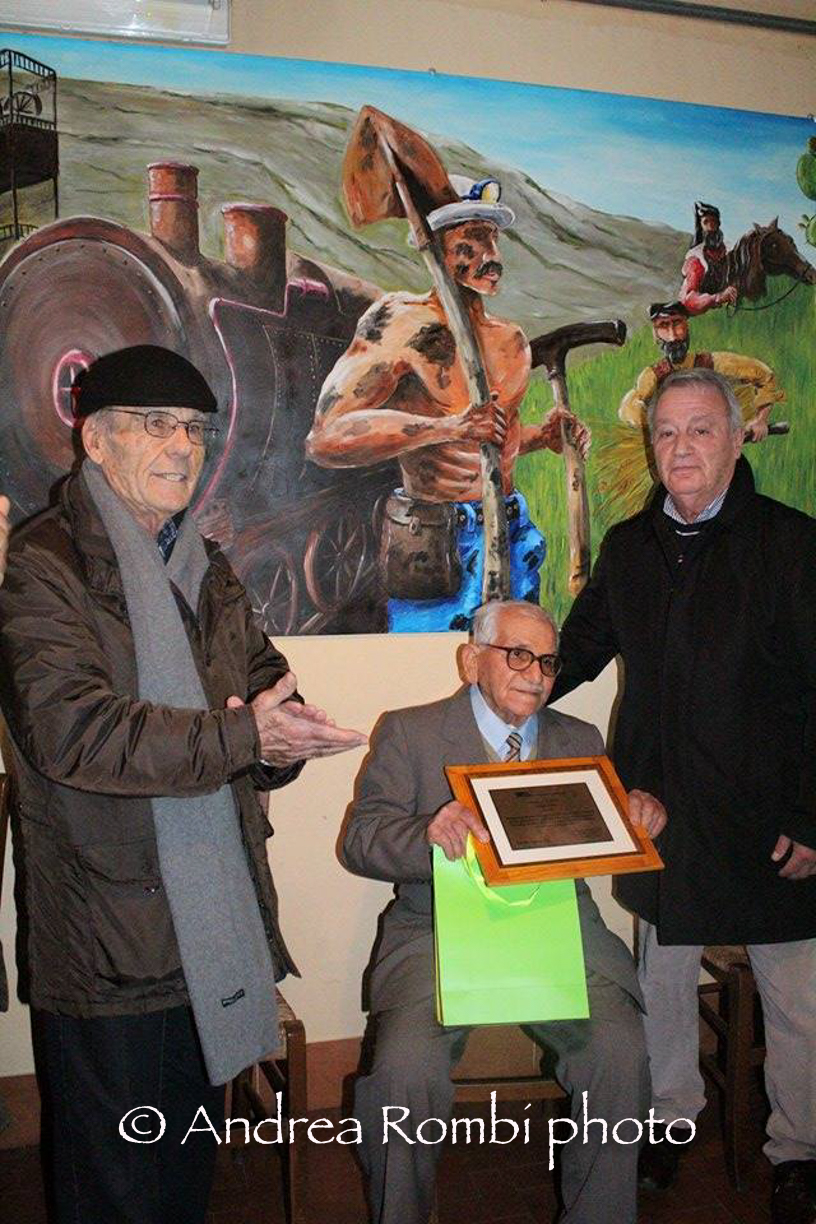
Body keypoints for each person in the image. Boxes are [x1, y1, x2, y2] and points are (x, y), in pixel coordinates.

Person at [0, 345, 366, 1224]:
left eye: (196, 430)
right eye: (156, 426)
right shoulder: (43, 564)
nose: (183, 448)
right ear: (95, 441)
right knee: (114, 1189)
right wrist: (246, 736)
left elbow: (262, 679)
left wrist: (284, 739)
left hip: (209, 925)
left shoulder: (204, 563)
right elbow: (73, 734)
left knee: (185, 1175)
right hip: (108, 936)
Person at [552, 368, 816, 1224]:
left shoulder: (793, 544)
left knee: (796, 999)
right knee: (660, 978)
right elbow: (580, 647)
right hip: (658, 806)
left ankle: (800, 1152)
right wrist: (511, 679)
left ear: (737, 439)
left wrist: (813, 816)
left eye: (701, 429)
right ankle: (670, 1117)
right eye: (666, 432)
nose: (682, 447)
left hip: (771, 816)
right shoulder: (631, 545)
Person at [342, 599, 668, 1224]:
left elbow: (604, 828)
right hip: (438, 929)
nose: (536, 674)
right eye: (518, 655)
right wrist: (426, 832)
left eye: (547, 661)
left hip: (558, 928)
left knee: (620, 1053)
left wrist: (637, 813)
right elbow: (360, 840)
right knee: (403, 1070)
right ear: (471, 661)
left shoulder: (579, 739)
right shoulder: (410, 732)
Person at [305, 177, 590, 632]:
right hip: (436, 545)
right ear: (435, 248)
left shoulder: (511, 340)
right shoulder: (400, 324)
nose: (490, 256)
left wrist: (545, 437)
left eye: (492, 239)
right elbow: (326, 438)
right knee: (430, 667)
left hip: (511, 533)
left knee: (513, 663)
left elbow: (496, 439)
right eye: (471, 243)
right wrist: (450, 427)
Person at [619, 301, 784, 441]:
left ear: (687, 326)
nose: (673, 336)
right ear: (655, 335)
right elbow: (629, 408)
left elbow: (764, 375)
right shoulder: (653, 375)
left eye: (677, 323)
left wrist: (761, 420)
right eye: (663, 326)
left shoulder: (710, 363)